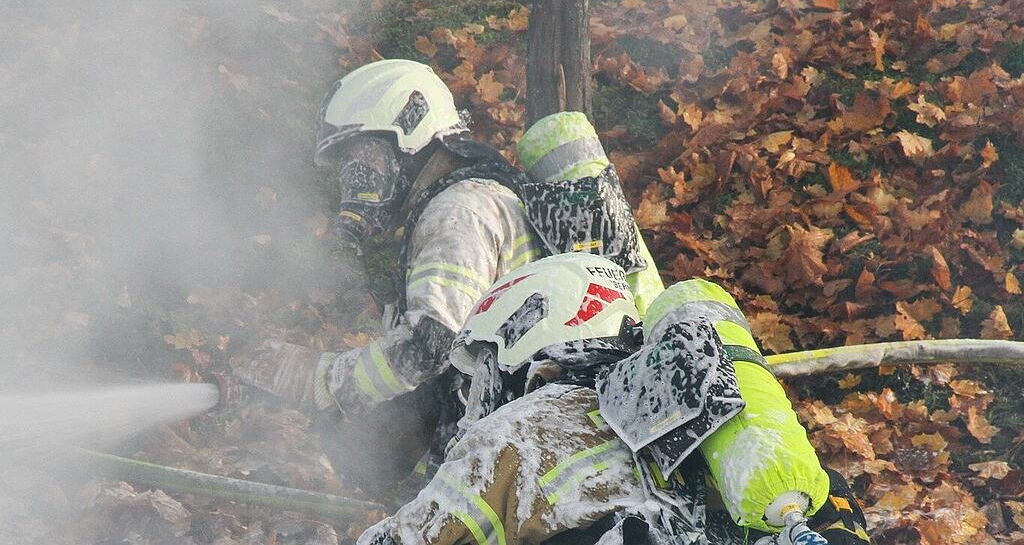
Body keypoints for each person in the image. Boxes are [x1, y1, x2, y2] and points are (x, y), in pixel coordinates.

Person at [229, 61, 663, 494]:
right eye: (349, 166)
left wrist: (324, 380)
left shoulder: (458, 211)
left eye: (365, 157)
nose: (357, 179)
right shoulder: (477, 195)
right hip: (534, 424)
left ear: (409, 131)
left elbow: (431, 344)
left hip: (516, 434)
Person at [358, 253, 872, 545]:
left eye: (486, 365)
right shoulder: (704, 405)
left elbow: (412, 538)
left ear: (521, 332)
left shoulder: (518, 430)